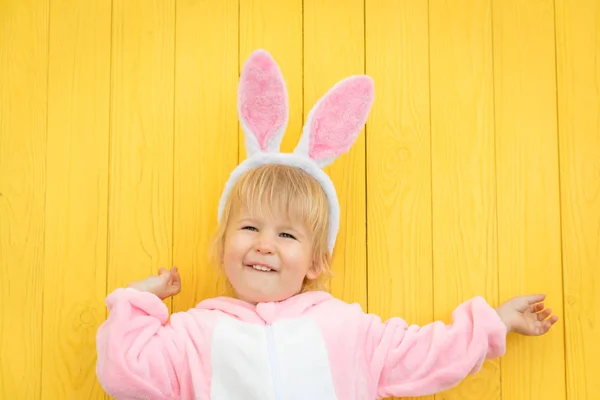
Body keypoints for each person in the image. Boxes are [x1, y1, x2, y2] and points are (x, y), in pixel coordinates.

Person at [95, 49, 558, 400]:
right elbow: (124, 374)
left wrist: (494, 323)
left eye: (287, 234)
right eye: (249, 228)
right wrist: (138, 302)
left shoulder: (348, 329)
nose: (265, 245)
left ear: (316, 261)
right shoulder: (194, 334)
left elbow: (426, 354)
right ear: (221, 247)